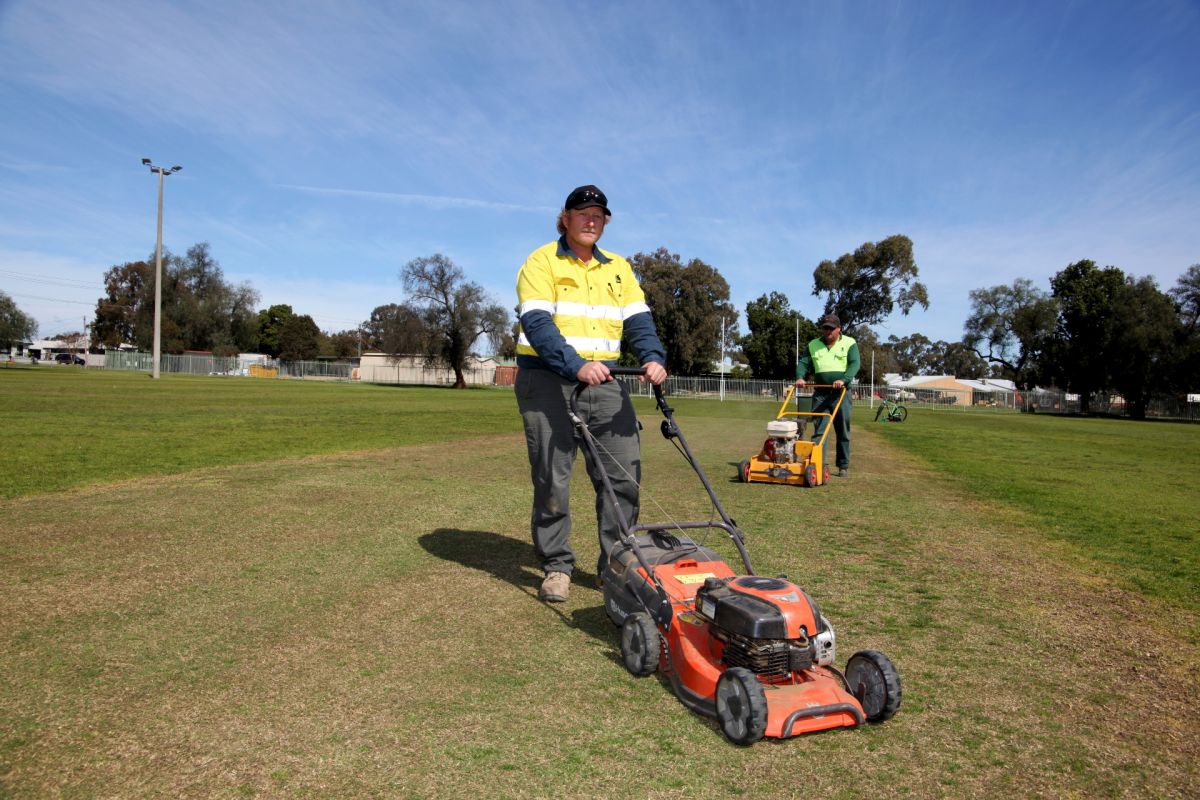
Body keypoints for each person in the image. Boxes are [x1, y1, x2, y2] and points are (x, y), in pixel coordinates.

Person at [514, 184, 668, 603]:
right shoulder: (541, 261)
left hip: (606, 381)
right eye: (582, 212)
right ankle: (556, 565)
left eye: (598, 214)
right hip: (548, 379)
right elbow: (538, 325)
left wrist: (653, 357)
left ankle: (615, 565)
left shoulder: (619, 268)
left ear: (606, 221)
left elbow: (639, 322)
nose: (591, 219)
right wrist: (574, 363)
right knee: (552, 477)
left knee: (622, 476)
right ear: (565, 217)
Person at [794, 313, 860, 477]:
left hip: (841, 393)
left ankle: (843, 465)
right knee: (820, 430)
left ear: (839, 329)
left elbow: (854, 364)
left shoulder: (849, 343)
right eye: (825, 328)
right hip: (821, 394)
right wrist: (800, 377)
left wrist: (844, 379)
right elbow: (803, 362)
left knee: (842, 429)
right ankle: (817, 464)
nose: (828, 331)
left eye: (831, 328)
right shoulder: (813, 345)